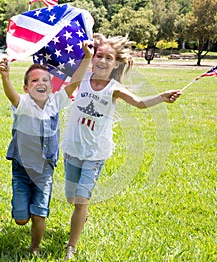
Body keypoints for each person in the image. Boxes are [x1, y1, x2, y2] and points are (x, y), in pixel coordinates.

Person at [62, 33, 182, 260]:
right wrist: (86, 56)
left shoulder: (114, 88)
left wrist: (161, 97)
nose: (103, 61)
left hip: (96, 153)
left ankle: (71, 247)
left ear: (116, 63)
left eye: (109, 58)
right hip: (72, 149)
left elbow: (139, 103)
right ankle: (82, 212)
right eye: (99, 55)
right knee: (71, 198)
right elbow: (68, 89)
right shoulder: (82, 78)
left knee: (80, 201)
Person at [0, 40, 93, 256]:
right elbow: (9, 93)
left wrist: (86, 57)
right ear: (26, 88)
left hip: (44, 170)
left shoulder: (55, 102)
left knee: (39, 215)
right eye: (34, 81)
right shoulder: (21, 104)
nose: (40, 84)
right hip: (22, 170)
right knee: (21, 219)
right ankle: (24, 209)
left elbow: (75, 81)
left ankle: (35, 248)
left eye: (45, 81)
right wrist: (5, 76)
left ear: (51, 87)